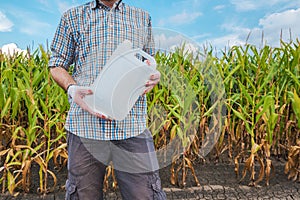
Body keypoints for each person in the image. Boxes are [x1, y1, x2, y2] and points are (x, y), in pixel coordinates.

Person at [48, 0, 166, 199]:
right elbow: (56, 65)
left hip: (131, 124)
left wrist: (152, 77)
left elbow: (148, 62)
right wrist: (72, 88)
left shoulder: (142, 17)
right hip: (85, 126)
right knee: (83, 195)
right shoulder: (72, 17)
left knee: (145, 194)